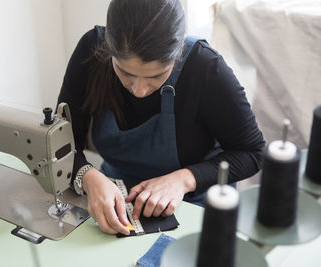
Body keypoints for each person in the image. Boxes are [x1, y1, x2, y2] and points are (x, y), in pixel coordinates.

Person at [57, 0, 265, 236]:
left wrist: (183, 180)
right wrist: (88, 176)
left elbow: (252, 152)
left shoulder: (206, 69)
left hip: (193, 205)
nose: (139, 90)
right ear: (109, 51)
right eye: (125, 72)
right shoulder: (91, 51)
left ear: (177, 56)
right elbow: (60, 145)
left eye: (156, 76)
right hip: (117, 197)